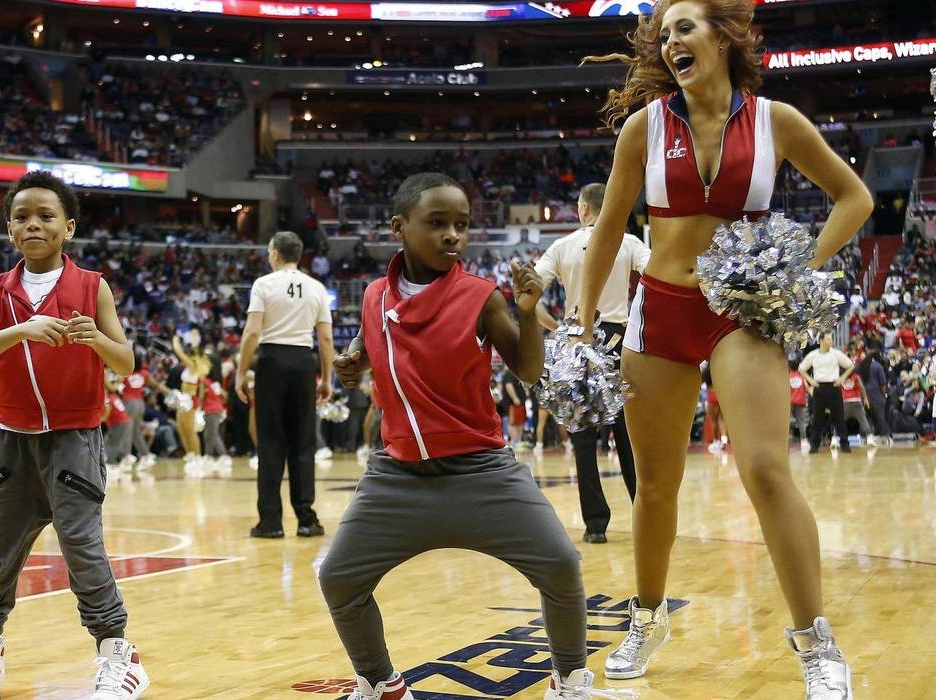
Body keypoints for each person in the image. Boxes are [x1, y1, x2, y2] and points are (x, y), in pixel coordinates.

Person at [579, 1, 872, 695]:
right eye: (663, 33)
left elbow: (852, 198)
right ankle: (647, 617)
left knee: (766, 470)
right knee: (654, 486)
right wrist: (579, 318)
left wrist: (793, 270)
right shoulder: (641, 130)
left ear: (721, 36)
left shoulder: (776, 121)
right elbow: (606, 231)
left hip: (740, 315)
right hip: (659, 311)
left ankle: (815, 642)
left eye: (684, 26)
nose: (670, 39)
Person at [320, 172, 605, 699]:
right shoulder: (374, 295)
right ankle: (382, 683)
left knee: (561, 566)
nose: (453, 235)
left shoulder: (481, 297)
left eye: (461, 225)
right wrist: (352, 360)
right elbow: (368, 336)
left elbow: (526, 368)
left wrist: (525, 313)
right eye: (438, 224)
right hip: (396, 477)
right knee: (338, 578)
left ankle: (569, 679)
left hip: (481, 472)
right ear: (398, 228)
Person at [0, 172, 148, 700]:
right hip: (12, 440)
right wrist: (19, 330)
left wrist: (95, 339)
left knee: (84, 552)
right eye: (21, 216)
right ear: (9, 230)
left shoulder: (92, 286)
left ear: (69, 227)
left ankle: (117, 657)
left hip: (74, 439)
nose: (32, 224)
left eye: (45, 215)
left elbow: (125, 359)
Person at [533, 182, 644, 543]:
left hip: (576, 339)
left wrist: (556, 328)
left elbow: (528, 296)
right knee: (629, 436)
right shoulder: (627, 242)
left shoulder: (562, 246)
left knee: (583, 436)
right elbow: (657, 275)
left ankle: (596, 526)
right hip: (618, 340)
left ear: (582, 209)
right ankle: (644, 515)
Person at [236, 231, 334, 539]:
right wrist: (327, 378)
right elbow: (326, 339)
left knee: (270, 442)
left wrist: (241, 372)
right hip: (304, 363)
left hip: (272, 362)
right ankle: (307, 519)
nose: (267, 256)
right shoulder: (317, 287)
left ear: (276, 254)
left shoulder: (263, 284)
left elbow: (252, 333)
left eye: (268, 251)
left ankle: (271, 522)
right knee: (303, 442)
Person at [799, 335, 855, 454]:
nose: (831, 341)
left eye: (831, 339)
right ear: (821, 341)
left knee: (839, 417)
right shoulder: (813, 354)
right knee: (817, 418)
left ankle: (845, 444)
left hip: (834, 387)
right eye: (828, 339)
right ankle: (814, 446)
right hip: (819, 388)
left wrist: (842, 378)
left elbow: (850, 365)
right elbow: (801, 368)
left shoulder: (836, 353)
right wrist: (811, 380)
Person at [171, 335, 208, 467]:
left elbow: (178, 352)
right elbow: (202, 386)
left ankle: (197, 457)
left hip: (189, 400)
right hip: (184, 399)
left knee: (190, 430)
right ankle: (190, 455)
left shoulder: (193, 366)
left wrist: (175, 341)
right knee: (181, 429)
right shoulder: (191, 368)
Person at [120, 358, 156, 470]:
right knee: (136, 432)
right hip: (141, 404)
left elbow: (117, 385)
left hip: (129, 403)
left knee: (126, 431)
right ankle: (146, 456)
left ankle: (126, 458)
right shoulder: (144, 374)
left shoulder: (125, 373)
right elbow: (155, 384)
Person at [839, 372, 878, 447]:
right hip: (856, 401)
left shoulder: (840, 377)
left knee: (839, 421)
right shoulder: (855, 376)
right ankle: (869, 439)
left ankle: (834, 440)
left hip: (845, 402)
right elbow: (861, 387)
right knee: (863, 421)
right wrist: (865, 398)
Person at [789, 359, 811, 451]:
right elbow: (806, 387)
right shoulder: (802, 376)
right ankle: (804, 441)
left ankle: (785, 442)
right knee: (801, 422)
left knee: (787, 422)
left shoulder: (787, 376)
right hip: (800, 402)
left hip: (789, 402)